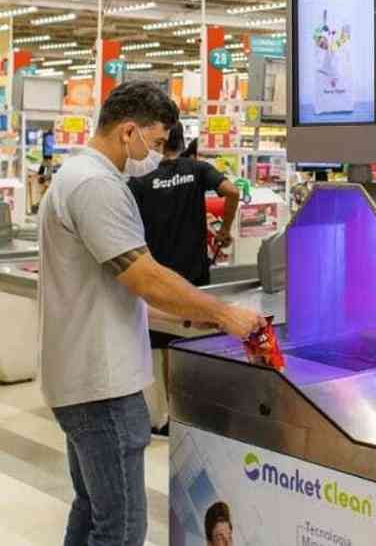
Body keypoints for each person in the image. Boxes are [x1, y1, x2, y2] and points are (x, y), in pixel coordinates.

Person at [38, 80, 267, 546]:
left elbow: (116, 288)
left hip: (78, 377)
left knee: (92, 514)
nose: (159, 155)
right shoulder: (97, 185)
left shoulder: (75, 176)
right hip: (102, 387)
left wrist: (188, 314)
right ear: (128, 132)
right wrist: (224, 314)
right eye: (157, 142)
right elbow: (144, 276)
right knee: (121, 529)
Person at [129, 121, 241, 435]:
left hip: (156, 274)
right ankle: (194, 411)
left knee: (158, 342)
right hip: (194, 272)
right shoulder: (197, 169)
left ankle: (162, 416)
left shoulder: (140, 179)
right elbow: (232, 191)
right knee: (196, 340)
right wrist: (224, 229)